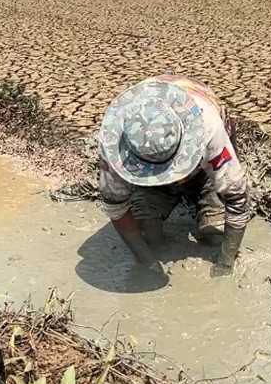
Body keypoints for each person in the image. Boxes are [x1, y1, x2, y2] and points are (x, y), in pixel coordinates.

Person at [96, 74, 253, 280]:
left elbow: (237, 198)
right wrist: (147, 263)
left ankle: (202, 196)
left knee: (214, 234)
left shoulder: (208, 126)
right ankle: (163, 193)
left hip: (204, 171)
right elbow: (115, 206)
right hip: (150, 179)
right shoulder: (113, 144)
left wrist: (225, 263)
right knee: (147, 235)